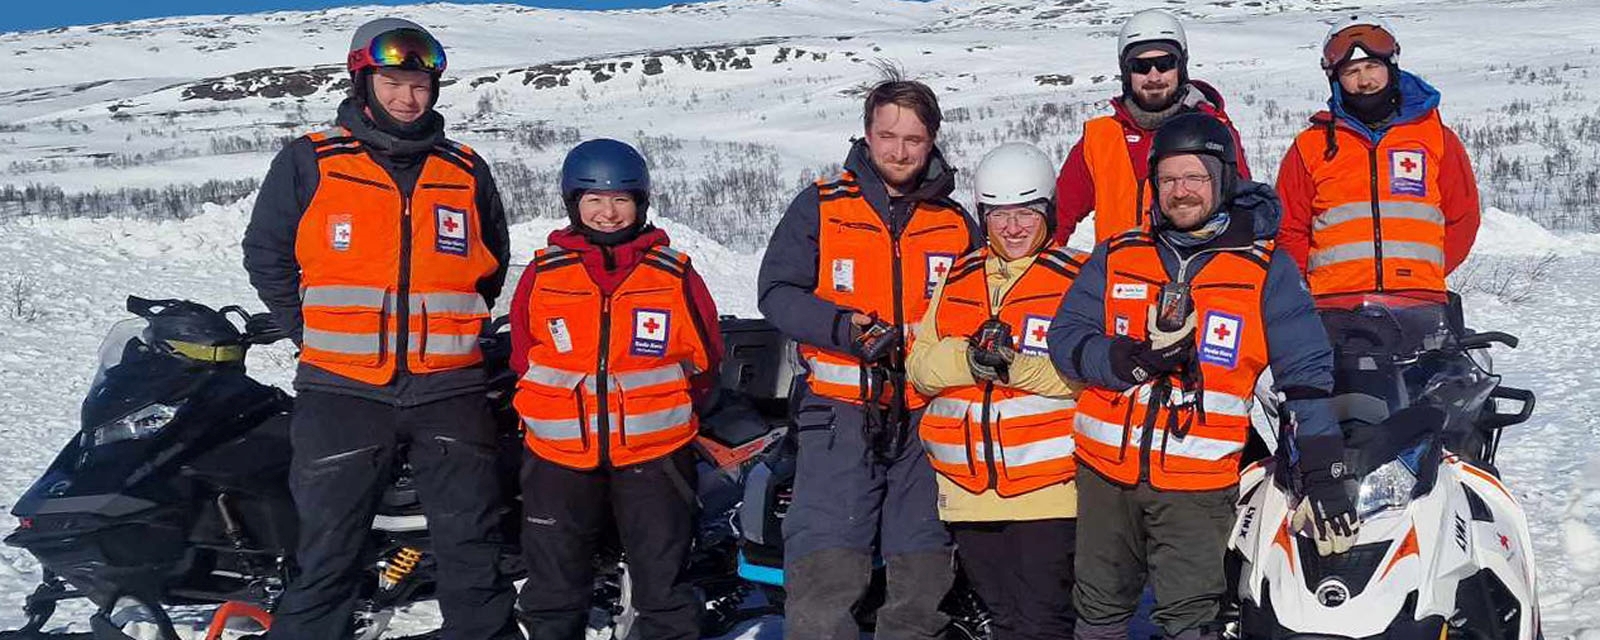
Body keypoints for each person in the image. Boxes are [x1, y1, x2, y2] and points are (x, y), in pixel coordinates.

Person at [241, 18, 517, 640]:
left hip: (448, 391)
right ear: (363, 82)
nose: (406, 98)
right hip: (341, 391)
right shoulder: (312, 161)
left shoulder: (465, 170)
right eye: (392, 82)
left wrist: (452, 331)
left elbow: (489, 265)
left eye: (418, 84)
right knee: (328, 556)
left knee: (473, 551)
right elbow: (267, 253)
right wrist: (306, 333)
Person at [1047, 113, 1357, 640]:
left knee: (1189, 620)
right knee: (1097, 612)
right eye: (1168, 179)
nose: (1180, 192)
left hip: (1197, 485)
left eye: (1194, 177)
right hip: (1104, 476)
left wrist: (1323, 463)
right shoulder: (1119, 254)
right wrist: (1122, 359)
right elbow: (1066, 338)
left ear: (1223, 179)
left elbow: (1304, 374)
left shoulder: (1263, 270)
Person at [756, 77, 978, 639]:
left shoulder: (954, 224)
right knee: (826, 570)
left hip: (928, 421)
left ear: (933, 142)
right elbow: (777, 291)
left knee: (923, 572)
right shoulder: (823, 206)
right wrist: (841, 328)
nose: (899, 151)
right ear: (867, 134)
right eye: (887, 136)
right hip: (839, 415)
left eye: (914, 139)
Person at [508, 138, 723, 640]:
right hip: (558, 457)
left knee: (664, 589)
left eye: (622, 199)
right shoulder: (544, 275)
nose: (608, 212)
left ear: (641, 203)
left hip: (654, 456)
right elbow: (523, 357)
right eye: (594, 199)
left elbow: (706, 360)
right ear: (573, 203)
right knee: (553, 590)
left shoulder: (672, 275)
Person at [906, 142, 1084, 640]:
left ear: (1047, 211)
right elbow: (919, 366)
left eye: (1026, 212)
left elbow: (1083, 376)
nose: (1012, 227)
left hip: (1048, 491)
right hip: (967, 492)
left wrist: (1011, 368)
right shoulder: (958, 276)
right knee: (1002, 620)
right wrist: (969, 359)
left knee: (1043, 620)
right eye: (999, 214)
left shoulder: (1077, 278)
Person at [1275, 15, 1481, 303]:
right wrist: (1310, 282)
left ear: (1392, 66)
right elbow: (1289, 226)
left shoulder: (1436, 138)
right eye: (1351, 71)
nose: (1364, 81)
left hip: (1420, 301)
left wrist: (1426, 272)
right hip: (1334, 305)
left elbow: (1463, 217)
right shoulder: (1311, 145)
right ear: (1335, 78)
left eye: (1373, 66)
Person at [1053, 9, 1252, 246]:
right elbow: (1058, 219)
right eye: (1141, 66)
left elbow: (1242, 210)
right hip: (1119, 275)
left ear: (1182, 67)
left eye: (1165, 64)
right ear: (1126, 72)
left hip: (1194, 273)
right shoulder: (1100, 139)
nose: (1154, 76)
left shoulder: (1213, 131)